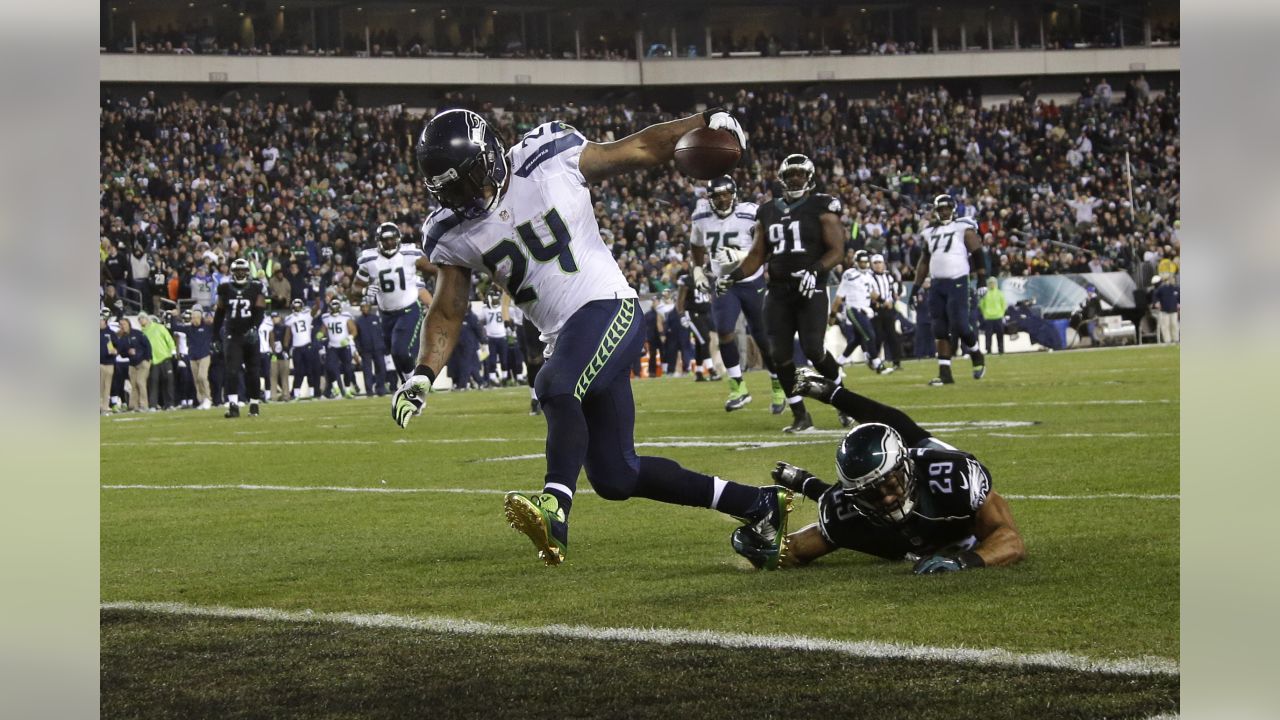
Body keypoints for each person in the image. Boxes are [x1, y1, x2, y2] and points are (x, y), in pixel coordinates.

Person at [395, 107, 792, 566]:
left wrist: (703, 120)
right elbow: (447, 310)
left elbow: (640, 147)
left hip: (608, 307)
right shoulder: (448, 230)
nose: (466, 197)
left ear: (491, 155)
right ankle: (759, 504)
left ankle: (554, 510)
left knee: (553, 385)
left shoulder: (547, 157)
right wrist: (422, 374)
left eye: (469, 181)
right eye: (453, 190)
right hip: (564, 338)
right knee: (616, 476)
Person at [731, 369, 1026, 573]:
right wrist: (757, 546)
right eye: (872, 493)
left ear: (906, 469)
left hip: (946, 515)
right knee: (852, 510)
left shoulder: (950, 476)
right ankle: (811, 484)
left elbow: (1010, 539)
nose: (887, 498)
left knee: (908, 432)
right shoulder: (845, 508)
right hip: (895, 534)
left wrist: (966, 561)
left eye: (892, 484)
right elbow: (792, 550)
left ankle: (832, 399)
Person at [720, 153, 846, 433]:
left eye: (800, 174)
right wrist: (735, 276)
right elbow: (757, 254)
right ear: (782, 179)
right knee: (779, 355)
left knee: (813, 349)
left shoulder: (822, 205)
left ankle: (843, 401)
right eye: (790, 175)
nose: (795, 179)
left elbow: (838, 250)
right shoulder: (766, 211)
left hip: (810, 287)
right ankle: (800, 415)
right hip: (777, 291)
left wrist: (815, 269)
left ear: (810, 177)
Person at [689, 175, 782, 411]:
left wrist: (741, 257)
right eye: (717, 195)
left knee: (762, 336)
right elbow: (696, 244)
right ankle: (737, 387)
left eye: (726, 194)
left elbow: (769, 249)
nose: (722, 199)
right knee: (724, 332)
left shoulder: (751, 213)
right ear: (709, 198)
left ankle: (777, 382)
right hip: (723, 282)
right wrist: (698, 269)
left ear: (734, 193)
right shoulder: (700, 216)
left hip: (751, 280)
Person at [349, 222, 436, 383]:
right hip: (386, 314)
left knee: (400, 350)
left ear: (398, 239)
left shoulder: (411, 254)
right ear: (378, 241)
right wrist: (364, 291)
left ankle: (413, 387)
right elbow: (355, 288)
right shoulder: (369, 259)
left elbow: (437, 270)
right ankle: (407, 385)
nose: (389, 243)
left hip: (408, 309)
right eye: (385, 240)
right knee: (394, 355)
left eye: (392, 239)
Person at [914, 194, 986, 386]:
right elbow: (924, 261)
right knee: (939, 328)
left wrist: (982, 280)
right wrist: (915, 286)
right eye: (941, 209)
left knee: (960, 325)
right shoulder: (929, 232)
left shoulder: (963, 227)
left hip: (958, 282)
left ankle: (976, 354)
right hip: (937, 284)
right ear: (936, 211)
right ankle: (945, 373)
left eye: (947, 208)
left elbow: (978, 252)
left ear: (953, 209)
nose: (944, 212)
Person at [213, 257, 266, 417]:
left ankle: (255, 405)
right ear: (233, 272)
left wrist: (255, 328)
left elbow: (260, 311)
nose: (241, 273)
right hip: (233, 334)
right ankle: (234, 406)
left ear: (248, 272)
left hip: (250, 334)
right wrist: (215, 336)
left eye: (243, 270)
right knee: (232, 371)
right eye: (238, 271)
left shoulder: (256, 287)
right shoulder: (224, 288)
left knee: (253, 371)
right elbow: (219, 313)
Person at [830, 250, 889, 376]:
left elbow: (871, 293)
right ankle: (877, 364)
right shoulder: (849, 274)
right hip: (853, 309)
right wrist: (833, 314)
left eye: (866, 262)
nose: (864, 265)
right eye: (862, 262)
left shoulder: (868, 275)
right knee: (870, 335)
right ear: (856, 262)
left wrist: (883, 301)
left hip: (865, 309)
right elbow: (839, 296)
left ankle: (838, 364)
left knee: (856, 340)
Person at [675, 264, 717, 382]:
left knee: (700, 342)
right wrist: (682, 315)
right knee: (705, 340)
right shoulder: (687, 280)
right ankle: (711, 370)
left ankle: (699, 372)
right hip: (692, 314)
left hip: (704, 314)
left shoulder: (708, 279)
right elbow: (680, 300)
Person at [868, 254, 904, 370]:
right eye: (876, 263)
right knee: (878, 337)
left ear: (884, 264)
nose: (878, 265)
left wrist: (893, 300)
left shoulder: (889, 277)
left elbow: (894, 292)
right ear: (872, 265)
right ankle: (874, 361)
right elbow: (869, 293)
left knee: (893, 336)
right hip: (876, 310)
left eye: (880, 262)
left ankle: (896, 363)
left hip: (888, 310)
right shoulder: (868, 277)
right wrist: (878, 302)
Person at [319, 297, 360, 397]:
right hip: (332, 346)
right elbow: (323, 330)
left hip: (344, 346)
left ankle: (347, 390)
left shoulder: (345, 316)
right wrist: (320, 334)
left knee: (348, 369)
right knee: (330, 367)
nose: (335, 311)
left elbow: (354, 330)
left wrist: (348, 338)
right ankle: (335, 387)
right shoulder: (326, 317)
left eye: (336, 308)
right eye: (333, 308)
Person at [137, 314, 177, 410]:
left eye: (142, 318)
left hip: (165, 357)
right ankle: (153, 405)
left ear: (147, 319)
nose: (141, 320)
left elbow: (169, 338)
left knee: (168, 381)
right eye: (139, 319)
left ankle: (170, 404)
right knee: (153, 383)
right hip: (153, 361)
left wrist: (173, 350)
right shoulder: (142, 333)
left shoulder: (159, 327)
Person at [285, 298, 318, 399]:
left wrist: (317, 303)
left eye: (298, 306)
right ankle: (296, 394)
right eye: (295, 306)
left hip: (306, 346)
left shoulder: (307, 315)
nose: (297, 308)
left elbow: (314, 311)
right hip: (297, 348)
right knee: (298, 372)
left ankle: (312, 393)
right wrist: (285, 348)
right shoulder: (290, 318)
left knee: (309, 370)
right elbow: (288, 334)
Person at [116, 317, 151, 412]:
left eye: (124, 324)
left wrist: (147, 359)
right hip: (132, 363)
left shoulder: (137, 333)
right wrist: (128, 352)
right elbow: (122, 354)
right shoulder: (122, 338)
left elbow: (147, 345)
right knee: (134, 385)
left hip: (143, 361)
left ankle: (144, 405)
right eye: (121, 325)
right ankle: (134, 406)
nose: (122, 326)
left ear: (128, 325)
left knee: (140, 382)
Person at [355, 302, 389, 397]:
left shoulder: (376, 318)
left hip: (378, 348)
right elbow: (356, 337)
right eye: (363, 307)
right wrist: (359, 349)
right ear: (361, 309)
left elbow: (382, 333)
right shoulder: (358, 321)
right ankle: (369, 391)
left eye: (366, 306)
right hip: (365, 350)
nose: (365, 308)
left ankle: (380, 389)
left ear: (369, 307)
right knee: (367, 371)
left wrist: (384, 345)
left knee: (382, 369)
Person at [481, 285, 510, 386]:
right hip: (491, 337)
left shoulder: (504, 307)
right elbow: (481, 322)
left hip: (502, 336)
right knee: (492, 360)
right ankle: (493, 379)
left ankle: (505, 378)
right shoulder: (485, 309)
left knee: (504, 360)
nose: (495, 301)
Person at [977, 277, 1007, 355]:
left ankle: (1001, 350)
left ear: (996, 283)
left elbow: (1004, 304)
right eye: (990, 283)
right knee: (988, 335)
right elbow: (981, 305)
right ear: (988, 284)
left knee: (1000, 334)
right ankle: (988, 350)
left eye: (993, 283)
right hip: (988, 317)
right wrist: (985, 314)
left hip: (998, 317)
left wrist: (1001, 313)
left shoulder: (1000, 293)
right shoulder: (985, 294)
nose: (992, 284)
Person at [269, 311, 292, 402]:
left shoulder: (285, 328)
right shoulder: (270, 329)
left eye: (276, 317)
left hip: (283, 354)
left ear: (279, 318)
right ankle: (273, 396)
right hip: (274, 355)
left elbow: (288, 340)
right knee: (273, 376)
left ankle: (286, 395)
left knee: (284, 376)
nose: (274, 319)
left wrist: (286, 351)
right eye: (272, 317)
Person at [1151, 275, 1180, 344]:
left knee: (1174, 325)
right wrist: (1156, 302)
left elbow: (1179, 297)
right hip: (1164, 310)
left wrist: (1179, 303)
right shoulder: (1161, 289)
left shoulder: (1176, 288)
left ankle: (1175, 339)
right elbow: (1155, 297)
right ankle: (1168, 341)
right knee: (1165, 325)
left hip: (1174, 310)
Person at [100, 310, 117, 415]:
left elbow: (116, 345)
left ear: (105, 322)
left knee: (107, 386)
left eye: (101, 321)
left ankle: (105, 407)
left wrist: (115, 350)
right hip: (99, 363)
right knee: (99, 386)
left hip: (109, 363)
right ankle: (99, 406)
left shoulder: (110, 333)